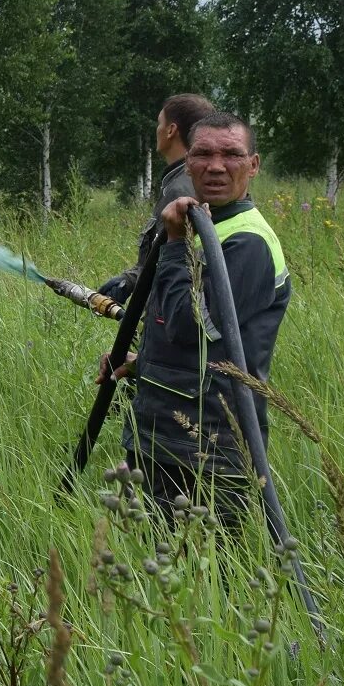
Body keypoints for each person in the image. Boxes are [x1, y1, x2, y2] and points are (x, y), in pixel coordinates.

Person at [120, 110, 289, 529]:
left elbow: (191, 325)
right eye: (203, 154)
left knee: (207, 578)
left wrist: (175, 244)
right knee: (156, 567)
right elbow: (184, 339)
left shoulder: (247, 241)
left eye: (231, 154)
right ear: (188, 162)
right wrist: (142, 361)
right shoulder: (205, 224)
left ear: (253, 164)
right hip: (163, 432)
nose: (216, 166)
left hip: (208, 443)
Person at [98, 93, 216, 307]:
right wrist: (130, 280)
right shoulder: (179, 181)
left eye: (159, 123)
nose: (157, 130)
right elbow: (159, 255)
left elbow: (173, 262)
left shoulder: (182, 190)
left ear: (171, 130)